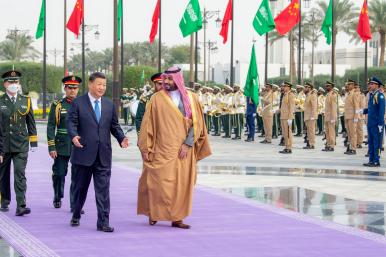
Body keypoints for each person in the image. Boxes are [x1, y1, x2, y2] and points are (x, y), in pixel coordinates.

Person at [137, 67, 211, 229]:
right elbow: (147, 124)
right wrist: (145, 148)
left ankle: (177, 218)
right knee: (157, 182)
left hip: (184, 150)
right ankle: (154, 213)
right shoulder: (156, 98)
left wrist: (188, 144)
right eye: (165, 79)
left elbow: (197, 124)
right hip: (161, 148)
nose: (167, 83)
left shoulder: (192, 98)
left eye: (170, 79)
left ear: (178, 79)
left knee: (182, 184)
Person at [67, 72, 129, 232]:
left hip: (103, 155)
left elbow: (114, 126)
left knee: (103, 190)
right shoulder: (78, 103)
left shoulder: (109, 105)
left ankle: (103, 222)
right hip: (83, 153)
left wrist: (121, 138)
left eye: (104, 85)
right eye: (99, 84)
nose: (102, 87)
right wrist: (74, 136)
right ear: (90, 84)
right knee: (81, 189)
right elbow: (71, 123)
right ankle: (76, 214)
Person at [0, 70, 37, 216]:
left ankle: (21, 205)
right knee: (3, 175)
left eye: (16, 82)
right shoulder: (1, 101)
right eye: (10, 82)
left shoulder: (25, 100)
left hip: (21, 144)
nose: (14, 84)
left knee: (19, 173)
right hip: (3, 145)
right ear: (5, 84)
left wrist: (33, 142)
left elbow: (31, 123)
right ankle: (5, 200)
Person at [47, 76, 80, 209]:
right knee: (59, 173)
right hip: (61, 144)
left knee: (77, 176)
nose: (73, 90)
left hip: (78, 145)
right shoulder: (58, 105)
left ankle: (75, 203)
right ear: (65, 88)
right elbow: (51, 126)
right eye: (70, 88)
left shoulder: (83, 104)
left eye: (75, 88)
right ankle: (58, 195)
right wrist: (51, 146)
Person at [363, 77, 385, 167]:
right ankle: (371, 160)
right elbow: (372, 109)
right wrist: (364, 111)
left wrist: (380, 124)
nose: (370, 85)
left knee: (377, 143)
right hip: (371, 123)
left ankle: (376, 161)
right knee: (371, 142)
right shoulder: (372, 95)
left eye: (372, 84)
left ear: (376, 85)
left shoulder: (380, 95)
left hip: (376, 124)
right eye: (370, 84)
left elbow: (381, 111)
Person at [344, 79, 360, 155]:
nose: (348, 86)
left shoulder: (355, 94)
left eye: (350, 85)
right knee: (349, 134)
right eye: (348, 85)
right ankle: (350, 147)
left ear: (353, 86)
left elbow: (357, 107)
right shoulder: (348, 94)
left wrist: (356, 117)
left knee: (353, 134)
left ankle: (353, 148)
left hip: (352, 117)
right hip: (347, 116)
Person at [279, 82, 295, 154]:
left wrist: (290, 118)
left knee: (288, 133)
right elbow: (284, 107)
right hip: (283, 116)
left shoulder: (291, 95)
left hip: (287, 117)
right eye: (283, 86)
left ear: (289, 87)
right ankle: (286, 146)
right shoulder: (285, 95)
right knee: (285, 133)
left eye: (285, 86)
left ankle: (289, 148)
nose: (283, 87)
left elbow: (291, 107)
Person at [322, 81, 338, 152]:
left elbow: (334, 107)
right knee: (327, 132)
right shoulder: (328, 94)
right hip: (327, 116)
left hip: (331, 117)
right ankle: (328, 145)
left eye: (328, 86)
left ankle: (331, 146)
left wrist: (333, 117)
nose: (326, 87)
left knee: (331, 132)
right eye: (326, 86)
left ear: (331, 87)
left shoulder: (333, 94)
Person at [303, 82, 318, 149]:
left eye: (306, 87)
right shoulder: (308, 95)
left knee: (311, 131)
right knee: (309, 131)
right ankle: (309, 143)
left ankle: (312, 144)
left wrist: (312, 116)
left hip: (311, 116)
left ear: (310, 88)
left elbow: (314, 106)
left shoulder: (312, 95)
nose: (305, 89)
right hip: (307, 116)